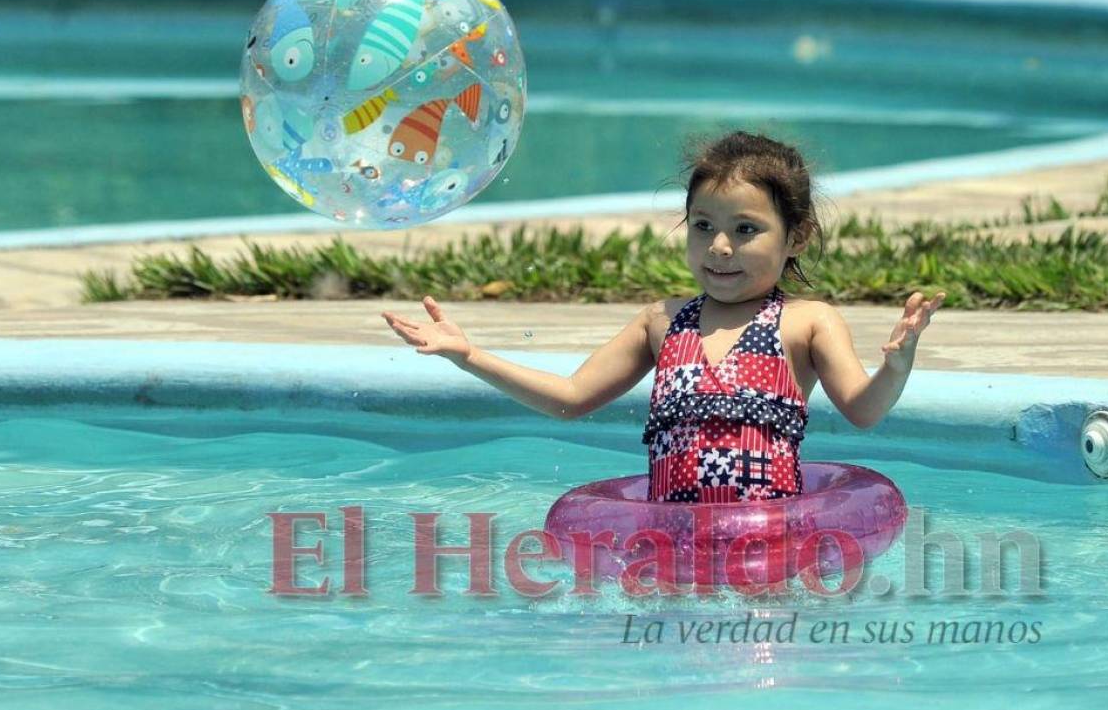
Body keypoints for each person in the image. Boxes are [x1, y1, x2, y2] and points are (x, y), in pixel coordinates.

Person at [382, 131, 946, 503]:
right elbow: (570, 397)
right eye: (703, 226)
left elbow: (864, 411)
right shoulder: (662, 322)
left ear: (795, 236)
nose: (719, 247)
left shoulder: (807, 322)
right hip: (671, 541)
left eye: (746, 230)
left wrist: (895, 368)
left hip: (767, 544)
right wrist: (470, 356)